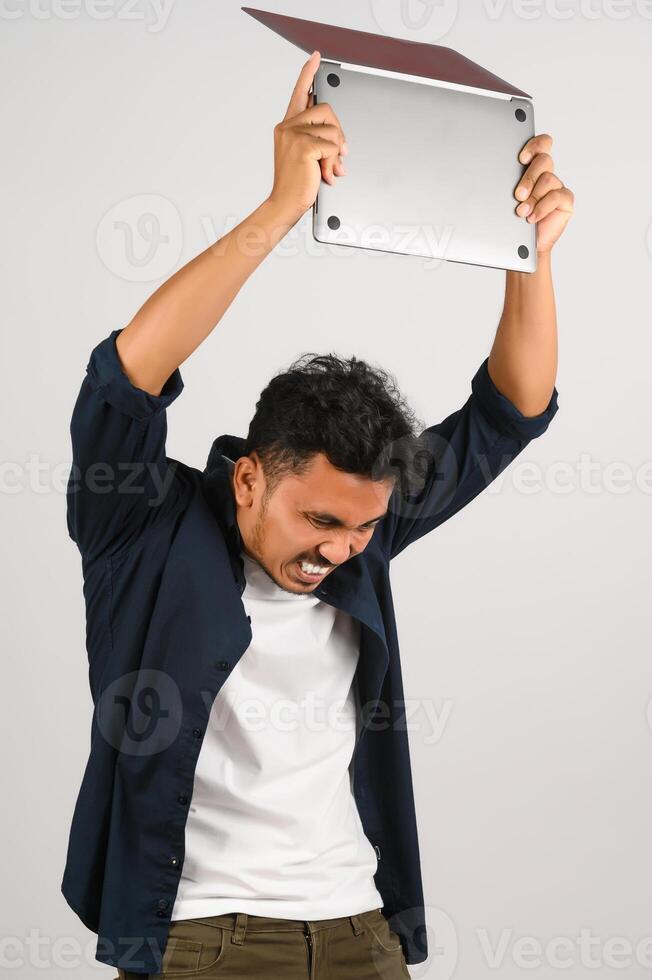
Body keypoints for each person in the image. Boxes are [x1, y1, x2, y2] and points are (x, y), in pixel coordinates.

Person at [62, 50, 572, 980]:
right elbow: (125, 381)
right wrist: (278, 212)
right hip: (202, 937)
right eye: (320, 522)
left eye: (363, 529)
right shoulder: (138, 524)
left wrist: (527, 246)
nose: (338, 551)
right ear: (251, 477)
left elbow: (515, 409)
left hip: (358, 927)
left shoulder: (363, 532)